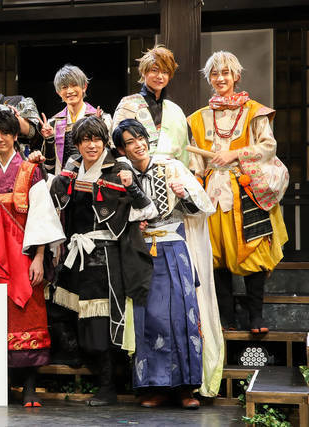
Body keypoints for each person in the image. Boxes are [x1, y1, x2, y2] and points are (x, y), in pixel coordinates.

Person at [0, 109, 65, 407]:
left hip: (24, 257)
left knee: (28, 317)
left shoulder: (31, 172)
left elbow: (42, 217)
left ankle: (30, 388)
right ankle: (1, 388)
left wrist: (39, 257)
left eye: (5, 133)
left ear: (16, 136)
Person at [47, 115, 156, 406]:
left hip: (105, 256)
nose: (91, 145)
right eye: (85, 140)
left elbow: (147, 209)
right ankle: (82, 364)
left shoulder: (120, 168)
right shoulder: (71, 167)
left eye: (96, 139)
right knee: (62, 310)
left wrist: (131, 187)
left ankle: (108, 387)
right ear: (78, 144)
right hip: (75, 252)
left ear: (105, 142)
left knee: (100, 322)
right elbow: (55, 200)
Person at [113, 119, 222, 408]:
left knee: (181, 316)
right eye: (130, 142)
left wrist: (184, 194)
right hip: (141, 252)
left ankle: (186, 388)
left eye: (140, 138)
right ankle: (155, 387)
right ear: (122, 149)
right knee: (149, 318)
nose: (138, 145)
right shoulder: (121, 174)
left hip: (173, 247)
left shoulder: (170, 167)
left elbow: (200, 209)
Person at [188, 51, 289, 333]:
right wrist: (193, 188)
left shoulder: (254, 111)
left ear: (236, 76)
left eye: (225, 73)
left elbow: (268, 146)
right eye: (215, 74)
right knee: (216, 255)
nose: (220, 78)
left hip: (245, 190)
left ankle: (256, 317)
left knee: (253, 252)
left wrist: (234, 154)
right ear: (209, 79)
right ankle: (226, 318)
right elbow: (196, 164)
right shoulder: (198, 118)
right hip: (212, 193)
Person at [112, 45, 190, 166]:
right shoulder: (129, 104)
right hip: (137, 170)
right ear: (144, 72)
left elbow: (185, 149)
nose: (160, 76)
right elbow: (116, 144)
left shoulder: (175, 110)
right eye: (154, 70)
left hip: (173, 171)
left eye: (165, 72)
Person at [37, 64, 113, 174]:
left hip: (94, 178)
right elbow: (48, 166)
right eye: (64, 87)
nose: (70, 91)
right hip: (64, 179)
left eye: (74, 85)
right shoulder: (53, 123)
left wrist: (99, 129)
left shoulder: (102, 118)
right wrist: (49, 139)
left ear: (84, 87)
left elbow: (110, 156)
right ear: (58, 92)